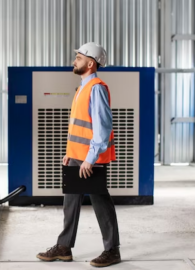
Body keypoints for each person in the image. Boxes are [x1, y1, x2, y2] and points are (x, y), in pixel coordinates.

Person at [36, 42, 121, 268]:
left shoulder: (96, 88)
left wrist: (90, 159)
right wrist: (69, 153)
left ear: (90, 63)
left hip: (90, 160)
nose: (74, 60)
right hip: (77, 157)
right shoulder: (82, 88)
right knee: (70, 202)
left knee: (101, 202)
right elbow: (77, 127)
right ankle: (64, 247)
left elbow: (102, 128)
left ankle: (112, 250)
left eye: (79, 57)